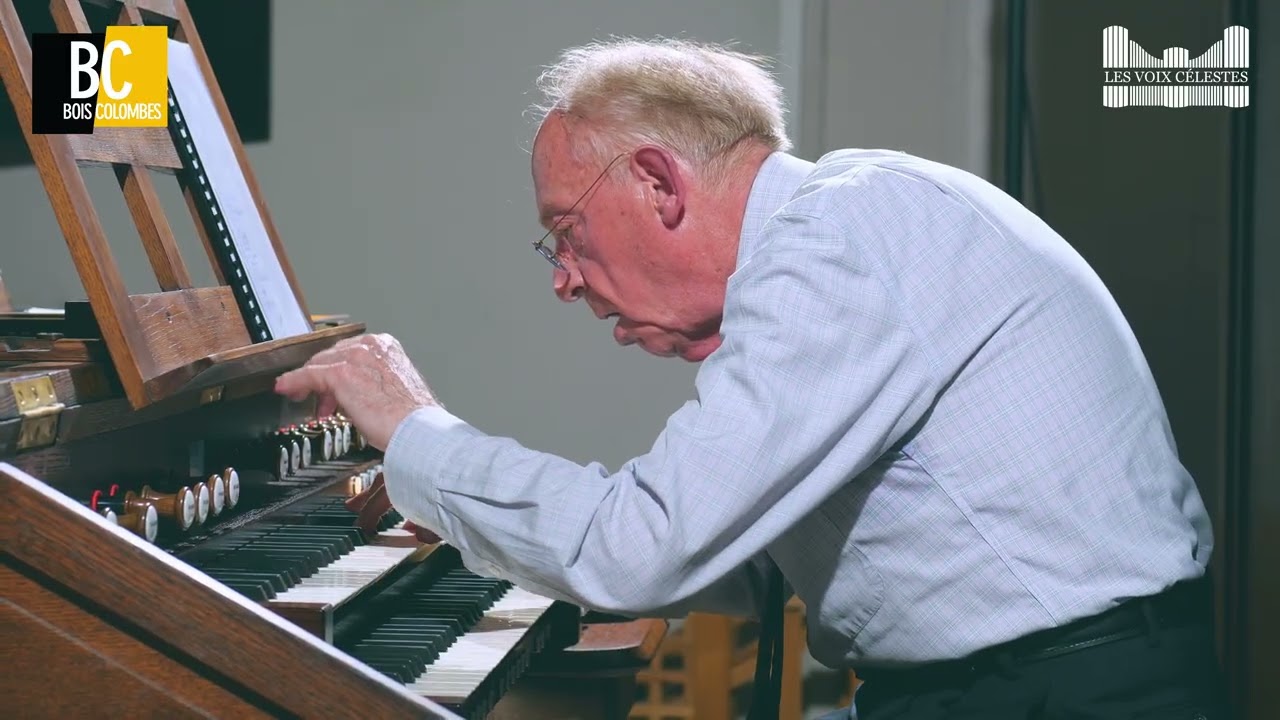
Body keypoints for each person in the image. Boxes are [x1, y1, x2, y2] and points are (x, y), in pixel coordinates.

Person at [275, 38, 1230, 720]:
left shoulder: (840, 237)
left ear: (658, 181)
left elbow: (645, 547)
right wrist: (458, 546)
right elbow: (733, 556)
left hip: (1062, 694)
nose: (564, 279)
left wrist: (416, 431)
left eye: (565, 234)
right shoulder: (850, 222)